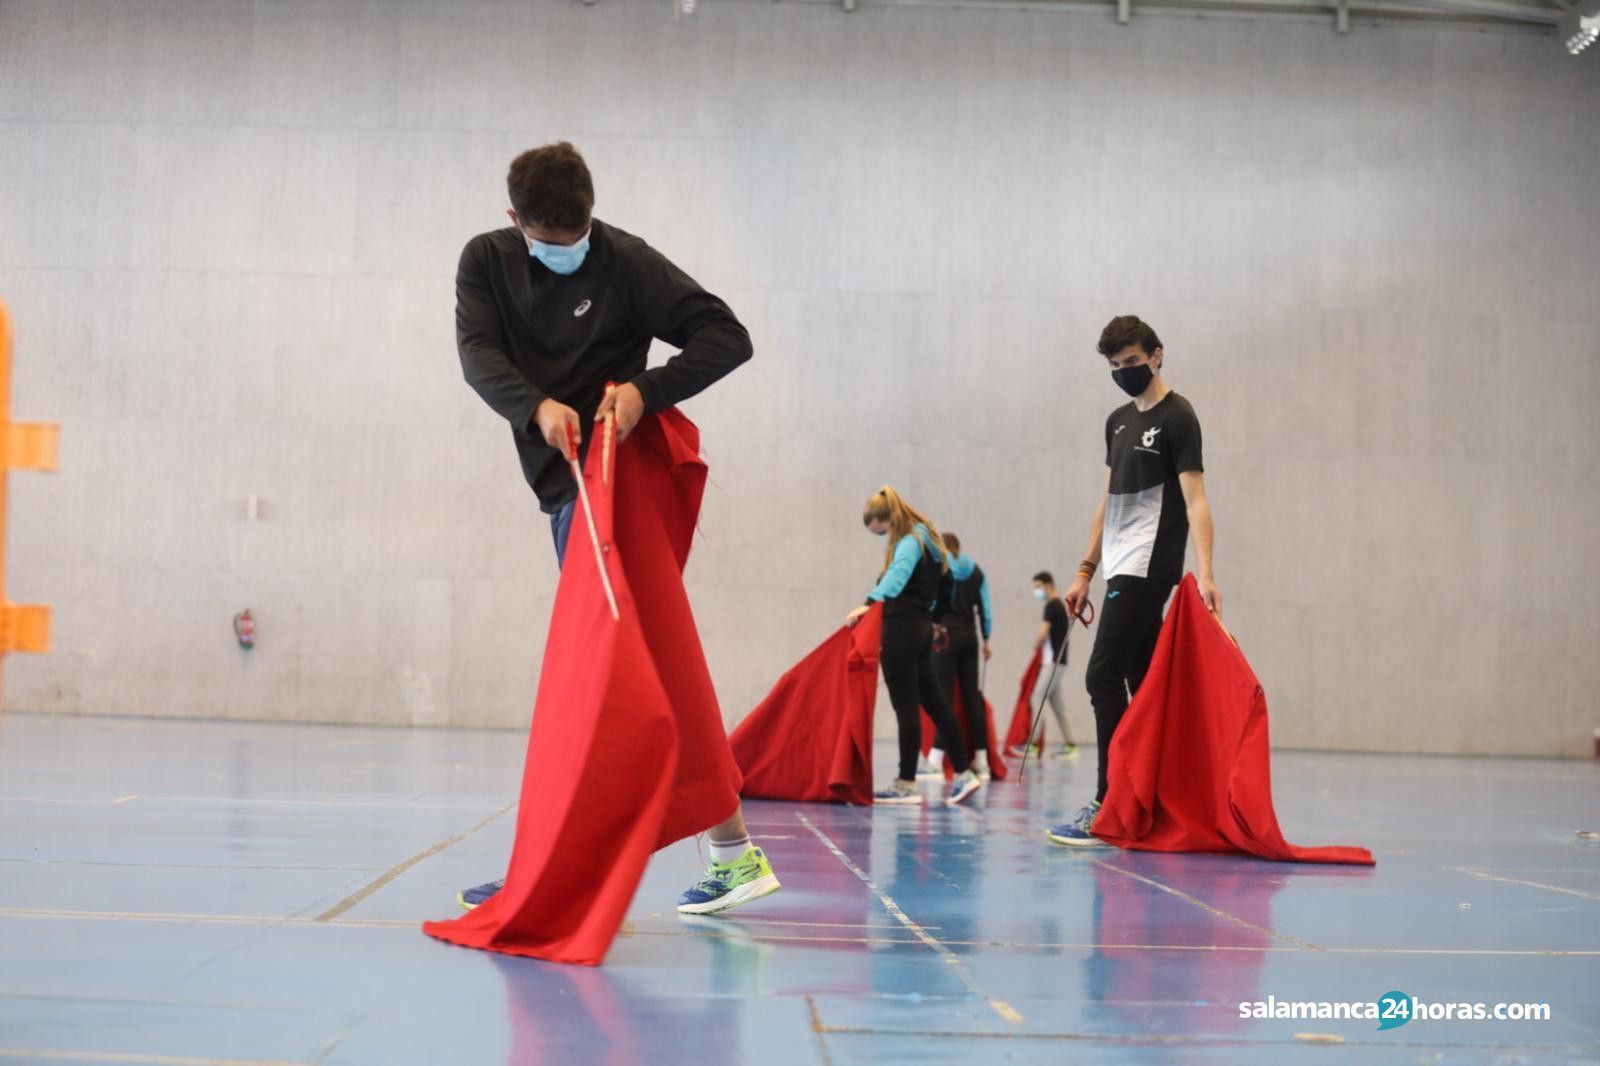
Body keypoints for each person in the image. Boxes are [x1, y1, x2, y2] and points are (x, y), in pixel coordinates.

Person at [455, 140, 778, 914]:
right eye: (547, 243)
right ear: (515, 222)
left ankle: (687, 857)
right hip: (563, 488)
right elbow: (478, 353)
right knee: (622, 674)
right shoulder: (486, 261)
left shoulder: (628, 262)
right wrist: (535, 405)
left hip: (618, 486)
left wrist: (644, 390)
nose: (563, 254)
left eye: (576, 240)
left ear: (593, 215)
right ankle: (601, 858)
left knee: (616, 675)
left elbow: (726, 336)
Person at [1049, 315, 1221, 848]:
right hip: (1119, 566)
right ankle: (1151, 801)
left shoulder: (1179, 417)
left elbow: (1196, 500)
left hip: (1151, 568)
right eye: (1115, 366)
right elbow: (1109, 500)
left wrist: (1208, 571)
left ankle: (1110, 803)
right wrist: (1083, 572)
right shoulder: (1118, 421)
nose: (1124, 372)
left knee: (1101, 677)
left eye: (1131, 362)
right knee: (1144, 686)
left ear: (1157, 355)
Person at [846, 488, 983, 807]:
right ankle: (964, 772)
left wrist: (868, 604)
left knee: (905, 708)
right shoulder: (933, 543)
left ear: (889, 520)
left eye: (881, 532)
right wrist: (934, 620)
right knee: (936, 704)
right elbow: (947, 587)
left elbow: (896, 576)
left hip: (900, 631)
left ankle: (906, 782)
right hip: (920, 629)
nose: (882, 539)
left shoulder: (909, 541)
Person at [923, 532, 993, 779]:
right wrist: (986, 638)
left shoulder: (941, 569)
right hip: (970, 638)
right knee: (972, 699)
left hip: (944, 637)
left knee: (943, 698)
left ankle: (935, 759)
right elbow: (985, 608)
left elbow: (931, 604)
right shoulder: (976, 571)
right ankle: (982, 762)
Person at [1019, 571, 1079, 759]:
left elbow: (1043, 633)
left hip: (1052, 663)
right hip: (1058, 662)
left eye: (1038, 587)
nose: (1036, 591)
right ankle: (1071, 745)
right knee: (1058, 705)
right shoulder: (1059, 606)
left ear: (1047, 585)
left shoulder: (1052, 606)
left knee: (1036, 698)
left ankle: (1034, 744)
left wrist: (1036, 643)